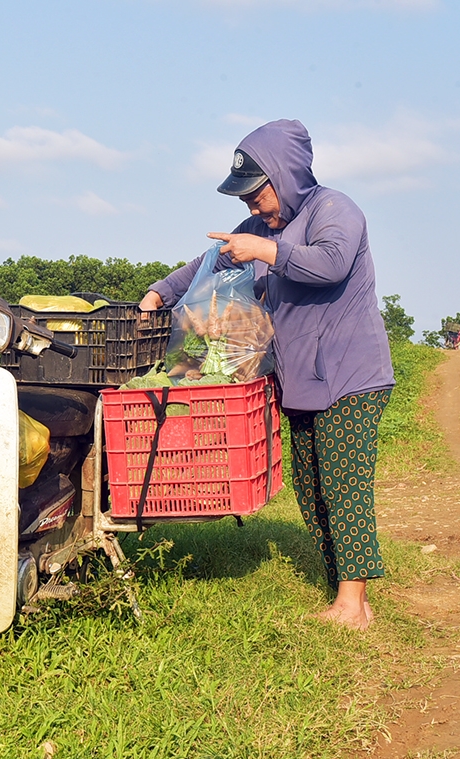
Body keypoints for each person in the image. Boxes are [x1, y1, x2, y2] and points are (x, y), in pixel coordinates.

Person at [139, 119, 394, 630]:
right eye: (245, 198)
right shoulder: (260, 228)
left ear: (288, 175)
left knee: (343, 483)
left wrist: (265, 252)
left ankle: (353, 603)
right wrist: (159, 293)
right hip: (298, 379)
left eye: (257, 193)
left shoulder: (335, 210)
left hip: (350, 374)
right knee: (312, 486)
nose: (250, 206)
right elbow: (206, 263)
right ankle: (344, 590)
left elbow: (332, 263)